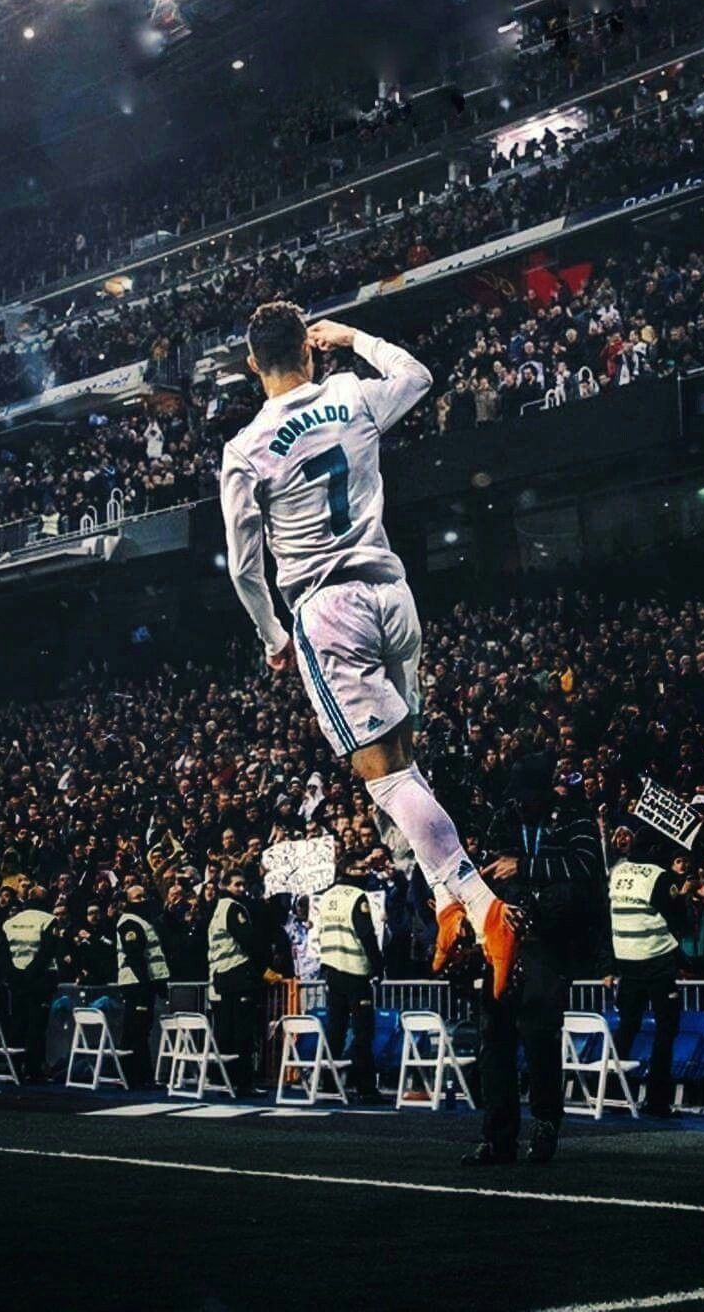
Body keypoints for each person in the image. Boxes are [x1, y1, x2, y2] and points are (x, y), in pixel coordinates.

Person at [220, 301, 516, 995]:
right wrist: (355, 337)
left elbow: (243, 567)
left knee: (383, 776)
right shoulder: (350, 394)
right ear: (311, 350)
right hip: (393, 595)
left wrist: (272, 637)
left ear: (252, 365)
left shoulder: (246, 449)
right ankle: (445, 905)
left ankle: (479, 904)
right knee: (407, 766)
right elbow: (416, 377)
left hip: (329, 610)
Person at [461, 756, 605, 1166]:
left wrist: (524, 868)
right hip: (504, 936)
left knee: (540, 1036)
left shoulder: (574, 817)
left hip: (550, 941)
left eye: (530, 799)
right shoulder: (502, 817)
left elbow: (585, 867)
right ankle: (497, 1136)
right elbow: (489, 869)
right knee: (495, 1039)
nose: (523, 806)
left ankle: (545, 1124)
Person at [604, 824, 692, 1120]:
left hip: (626, 961)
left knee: (627, 1027)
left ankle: (615, 1095)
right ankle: (657, 1101)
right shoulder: (658, 876)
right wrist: (683, 896)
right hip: (656, 961)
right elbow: (679, 919)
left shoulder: (617, 873)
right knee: (666, 1030)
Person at [317, 857, 384, 1102]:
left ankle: (329, 1083)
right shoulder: (357, 897)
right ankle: (366, 1088)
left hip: (332, 970)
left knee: (335, 1030)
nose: (365, 872)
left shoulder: (326, 897)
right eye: (360, 868)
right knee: (363, 1032)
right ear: (348, 870)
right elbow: (366, 934)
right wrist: (379, 967)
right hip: (355, 971)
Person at [208, 868, 263, 1097]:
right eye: (237, 885)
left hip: (221, 975)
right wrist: (262, 967)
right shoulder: (234, 908)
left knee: (226, 1032)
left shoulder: (218, 909)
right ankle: (243, 1083)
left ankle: (225, 1080)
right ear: (225, 886)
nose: (242, 889)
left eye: (243, 884)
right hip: (238, 975)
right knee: (242, 1033)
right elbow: (249, 941)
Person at [1, 885, 59, 1082]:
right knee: (36, 1025)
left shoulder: (10, 922)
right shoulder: (49, 920)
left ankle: (15, 1068)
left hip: (16, 978)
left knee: (18, 1023)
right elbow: (48, 950)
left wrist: (15, 974)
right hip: (39, 979)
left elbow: (3, 952)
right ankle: (34, 1069)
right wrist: (31, 973)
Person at [115, 883, 170, 1088]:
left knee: (137, 1030)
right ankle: (139, 1077)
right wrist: (147, 985)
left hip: (141, 983)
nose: (143, 900)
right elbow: (135, 956)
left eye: (144, 896)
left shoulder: (142, 920)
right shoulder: (130, 922)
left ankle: (134, 1076)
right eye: (138, 897)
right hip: (137, 984)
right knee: (137, 1031)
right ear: (128, 901)